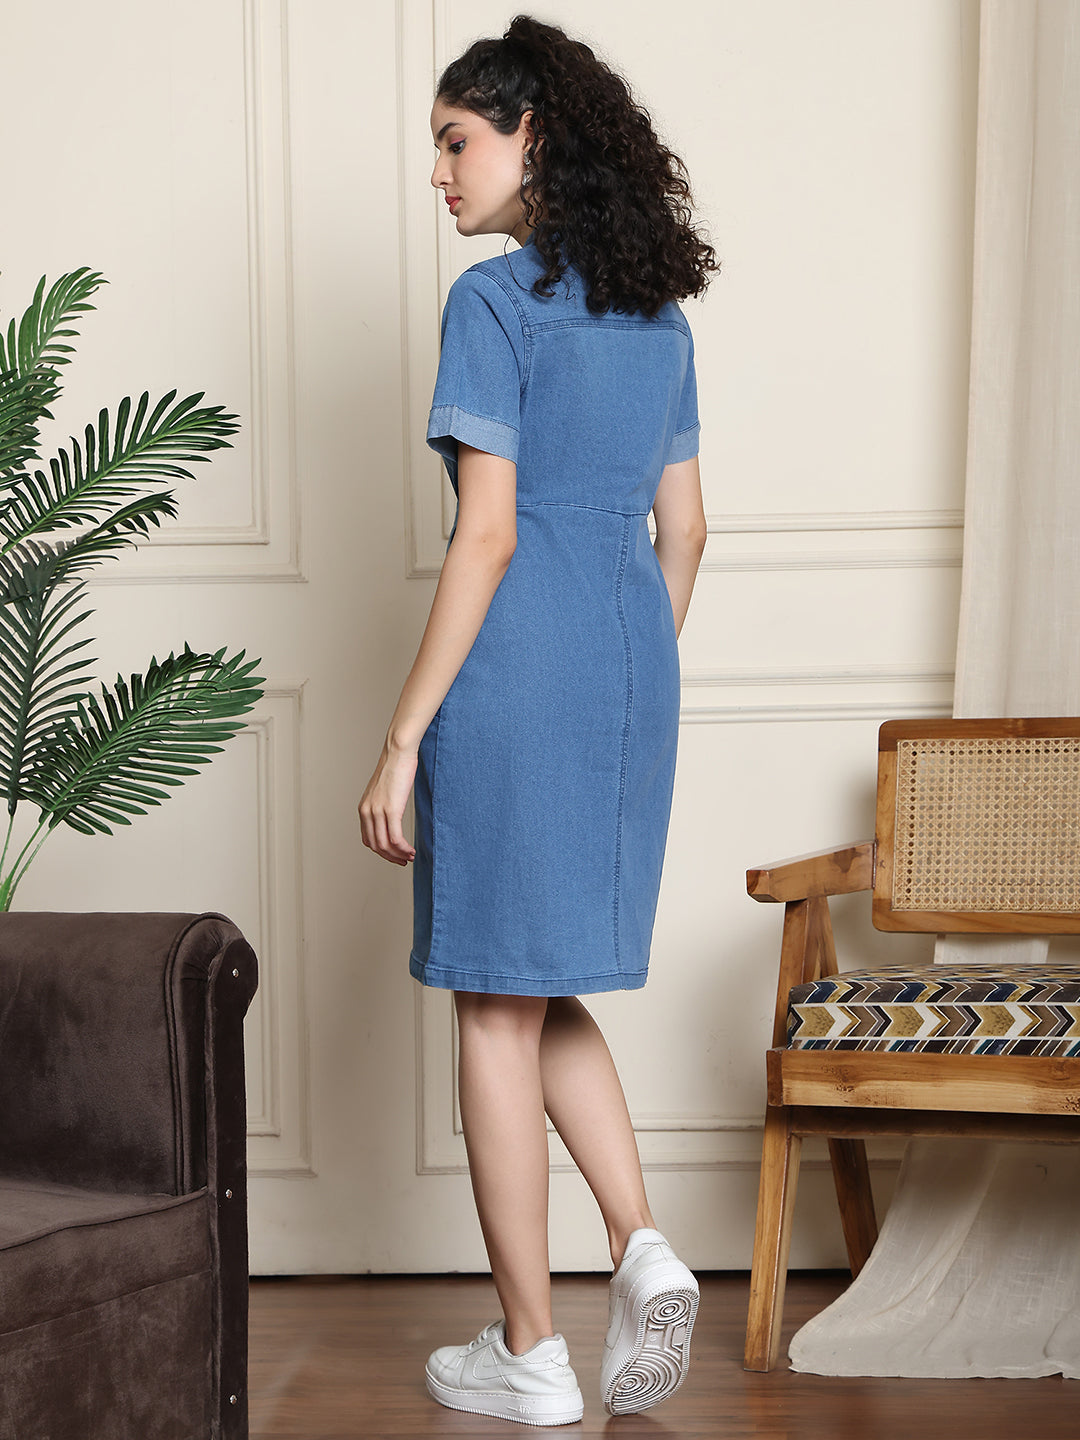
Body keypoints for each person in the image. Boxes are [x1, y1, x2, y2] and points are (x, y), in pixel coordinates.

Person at [359, 14, 715, 1427]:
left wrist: (403, 738)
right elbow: (687, 532)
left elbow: (489, 533)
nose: (439, 173)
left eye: (457, 142)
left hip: (514, 675)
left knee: (492, 1003)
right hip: (630, 674)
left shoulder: (495, 305)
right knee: (536, 978)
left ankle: (530, 1350)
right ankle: (642, 1243)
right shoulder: (659, 317)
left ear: (534, 138)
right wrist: (615, 674)